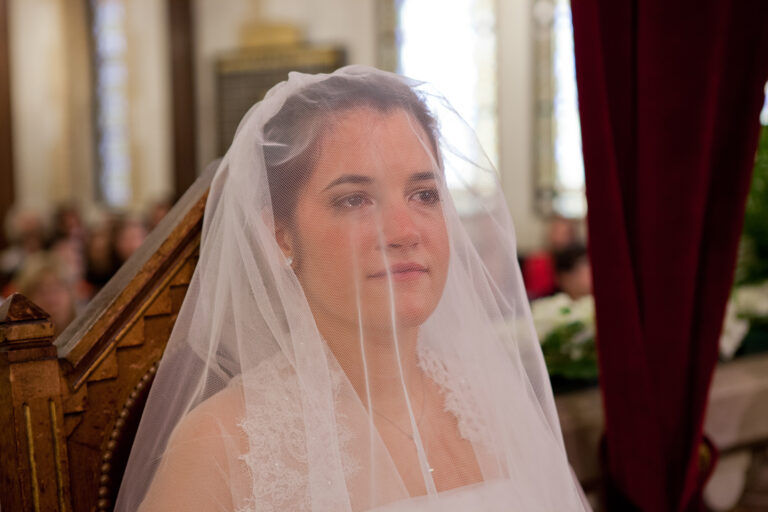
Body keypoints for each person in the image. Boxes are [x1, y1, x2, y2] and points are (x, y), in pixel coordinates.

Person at [116, 66, 589, 511]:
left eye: (424, 194)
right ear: (280, 237)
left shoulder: (494, 405)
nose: (404, 231)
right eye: (354, 199)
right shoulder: (221, 447)